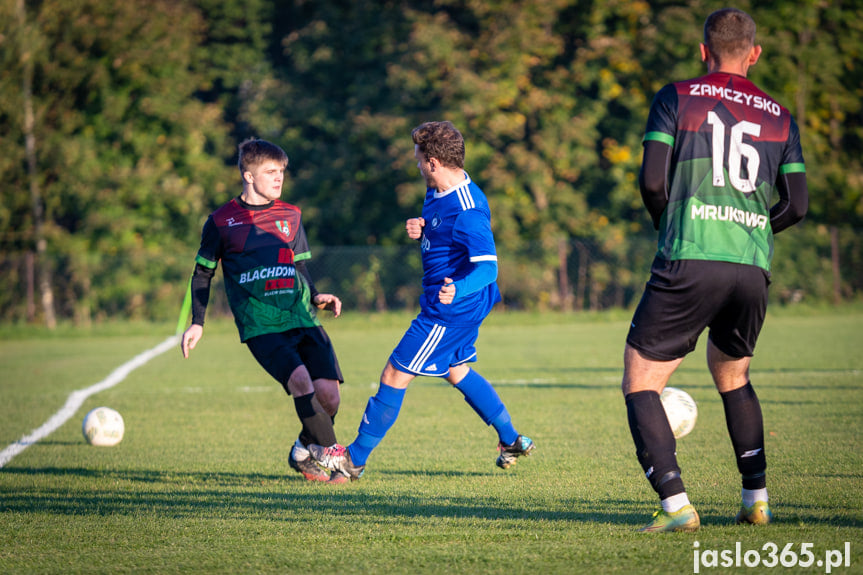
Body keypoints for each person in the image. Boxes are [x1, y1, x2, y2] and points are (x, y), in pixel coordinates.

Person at [623, 8, 808, 532]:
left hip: (691, 256)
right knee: (733, 375)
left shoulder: (676, 97)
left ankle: (676, 505)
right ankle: (757, 499)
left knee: (640, 380)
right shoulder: (780, 115)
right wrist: (752, 228)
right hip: (751, 267)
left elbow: (654, 183)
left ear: (704, 52)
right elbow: (796, 205)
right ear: (755, 54)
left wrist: (673, 228)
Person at [309, 121, 536, 480]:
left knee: (395, 373)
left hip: (449, 310)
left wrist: (457, 289)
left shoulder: (469, 212)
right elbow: (445, 238)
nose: (416, 166)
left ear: (433, 162)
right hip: (457, 305)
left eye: (418, 159)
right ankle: (510, 439)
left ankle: (353, 460)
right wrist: (423, 230)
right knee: (456, 370)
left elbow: (488, 269)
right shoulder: (437, 191)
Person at [180, 138, 348, 484]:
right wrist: (197, 323)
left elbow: (299, 266)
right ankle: (336, 458)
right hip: (261, 324)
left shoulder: (291, 215)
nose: (278, 178)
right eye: (271, 171)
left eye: (282, 172)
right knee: (301, 381)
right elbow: (203, 272)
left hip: (301, 315)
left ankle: (303, 451)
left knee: (329, 398)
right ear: (248, 175)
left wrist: (316, 296)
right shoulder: (221, 221)